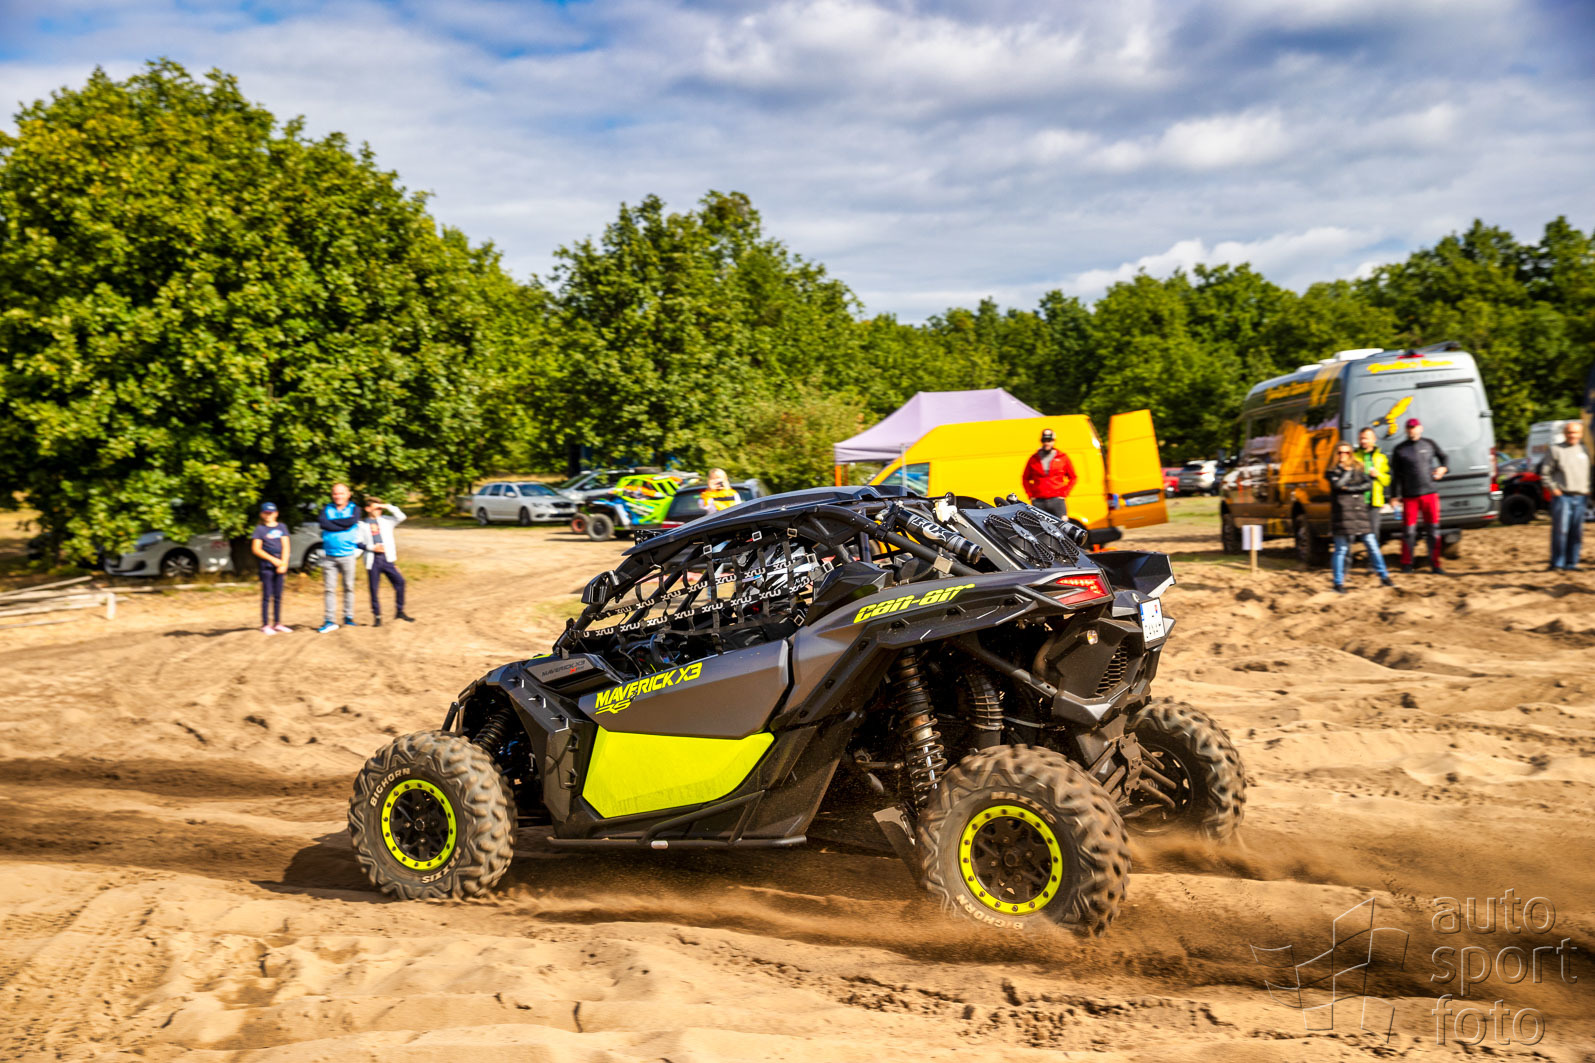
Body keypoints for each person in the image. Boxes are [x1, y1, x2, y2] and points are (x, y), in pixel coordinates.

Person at [1326, 443, 1394, 593]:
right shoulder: (1331, 471)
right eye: (1340, 452)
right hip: (1342, 514)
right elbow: (1337, 485)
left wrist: (1348, 489)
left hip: (1359, 513)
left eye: (1346, 452)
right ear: (1335, 454)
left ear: (1351, 453)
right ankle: (1338, 583)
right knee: (1341, 549)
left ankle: (1384, 576)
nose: (1343, 455)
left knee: (1372, 545)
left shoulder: (1359, 467)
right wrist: (1347, 474)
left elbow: (1367, 485)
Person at [1390, 418, 1449, 574]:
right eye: (1409, 428)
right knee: (1408, 532)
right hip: (1410, 496)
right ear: (1406, 430)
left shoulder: (1429, 443)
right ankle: (1407, 564)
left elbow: (1444, 458)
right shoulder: (1399, 449)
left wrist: (1443, 468)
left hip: (1430, 494)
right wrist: (1394, 496)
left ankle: (1435, 565)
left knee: (1433, 531)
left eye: (1414, 427)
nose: (1412, 430)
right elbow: (1395, 475)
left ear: (1420, 428)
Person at [1541, 420, 1589, 572]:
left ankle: (1572, 563)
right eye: (1569, 432)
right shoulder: (1555, 450)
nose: (1572, 435)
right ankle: (1557, 563)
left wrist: (1588, 489)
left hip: (1581, 497)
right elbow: (1545, 473)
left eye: (1575, 432)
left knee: (1576, 532)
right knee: (1561, 531)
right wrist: (1554, 489)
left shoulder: (1585, 450)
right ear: (1564, 433)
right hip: (1563, 497)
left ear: (1580, 434)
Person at [358, 497, 413, 625]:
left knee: (400, 582)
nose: (379, 510)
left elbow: (401, 516)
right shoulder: (362, 525)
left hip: (387, 558)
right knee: (374, 588)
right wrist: (372, 548)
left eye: (380, 508)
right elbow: (358, 542)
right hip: (373, 559)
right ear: (368, 509)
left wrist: (386, 506)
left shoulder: (387, 521)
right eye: (375, 508)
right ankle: (377, 616)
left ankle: (400, 611)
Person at [316, 482, 363, 633]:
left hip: (348, 555)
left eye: (341, 493)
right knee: (329, 589)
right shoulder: (326, 509)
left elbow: (351, 521)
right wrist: (343, 525)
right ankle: (329, 620)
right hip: (329, 556)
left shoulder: (355, 509)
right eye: (335, 493)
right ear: (332, 495)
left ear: (348, 494)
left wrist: (332, 524)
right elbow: (323, 524)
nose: (338, 496)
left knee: (349, 587)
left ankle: (348, 618)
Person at [250, 502, 292, 634]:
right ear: (262, 514)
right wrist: (273, 560)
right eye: (266, 513)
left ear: (276, 514)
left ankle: (277, 623)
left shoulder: (282, 527)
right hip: (267, 566)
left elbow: (286, 546)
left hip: (280, 564)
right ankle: (265, 625)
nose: (269, 515)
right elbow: (256, 549)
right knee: (267, 595)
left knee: (278, 595)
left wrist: (284, 563)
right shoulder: (260, 529)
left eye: (271, 513)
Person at [1022, 428, 1076, 520]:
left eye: (1049, 440)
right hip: (1039, 501)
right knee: (1040, 525)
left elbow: (1073, 477)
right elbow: (1025, 478)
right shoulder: (1034, 459)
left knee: (1063, 524)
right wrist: (1031, 494)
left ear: (1053, 441)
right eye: (1044, 440)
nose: (1047, 443)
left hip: (1057, 500)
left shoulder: (1062, 457)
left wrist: (1064, 492)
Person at [1354, 427, 1391, 509]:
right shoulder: (1354, 456)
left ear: (1374, 439)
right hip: (1358, 502)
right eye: (1361, 438)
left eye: (1366, 438)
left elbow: (1387, 481)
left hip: (1375, 503)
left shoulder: (1381, 457)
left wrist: (1378, 474)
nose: (1363, 441)